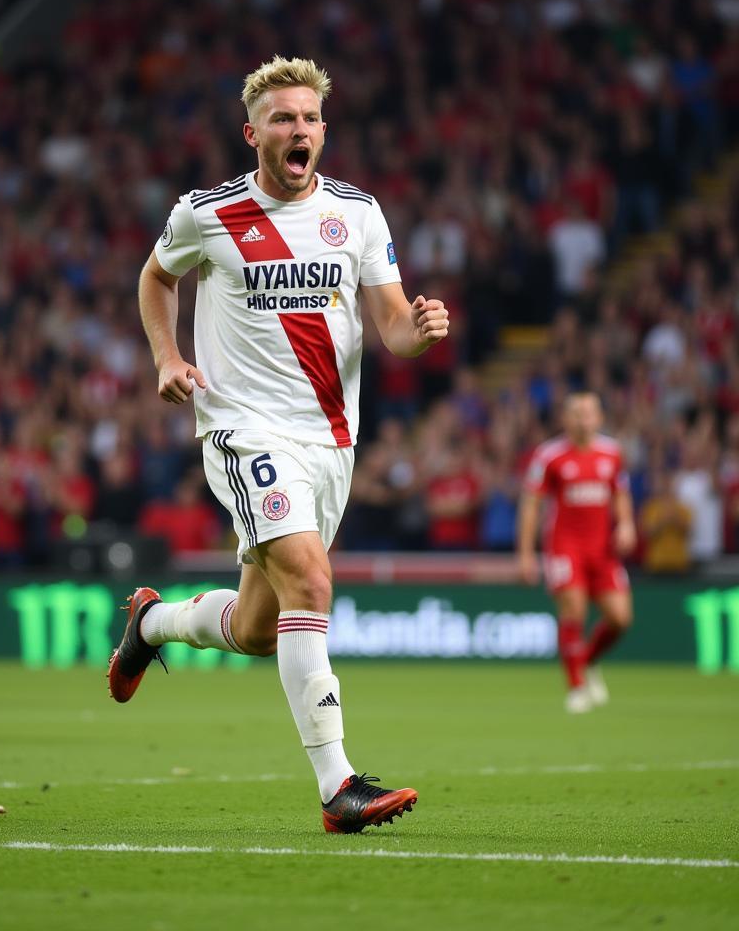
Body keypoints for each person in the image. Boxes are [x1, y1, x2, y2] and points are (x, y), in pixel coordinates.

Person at [110, 56, 450, 833]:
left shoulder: (359, 214)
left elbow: (391, 324)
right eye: (283, 118)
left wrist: (419, 334)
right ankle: (339, 786)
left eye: (310, 119)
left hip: (330, 439)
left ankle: (152, 625)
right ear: (252, 131)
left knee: (263, 628)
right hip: (242, 427)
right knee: (312, 578)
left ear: (324, 131)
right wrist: (168, 357)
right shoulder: (207, 212)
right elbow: (155, 278)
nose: (298, 130)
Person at [517, 392, 637, 714]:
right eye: (577, 413)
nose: (583, 419)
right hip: (565, 546)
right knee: (574, 610)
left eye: (589, 413)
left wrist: (626, 524)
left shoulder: (611, 453)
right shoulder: (550, 456)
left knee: (621, 618)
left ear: (599, 418)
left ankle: (586, 661)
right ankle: (576, 687)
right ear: (565, 419)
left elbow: (620, 493)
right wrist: (526, 554)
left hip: (603, 549)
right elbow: (531, 505)